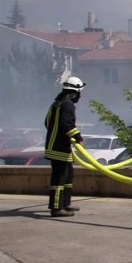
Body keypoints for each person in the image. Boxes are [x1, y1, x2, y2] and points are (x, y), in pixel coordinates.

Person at [43, 76, 85, 217]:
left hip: (57, 147)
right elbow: (67, 124)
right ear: (75, 92)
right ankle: (56, 208)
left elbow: (47, 122)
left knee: (68, 175)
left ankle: (65, 204)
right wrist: (78, 137)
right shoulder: (67, 104)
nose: (81, 95)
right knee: (59, 178)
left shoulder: (56, 104)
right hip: (59, 148)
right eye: (80, 92)